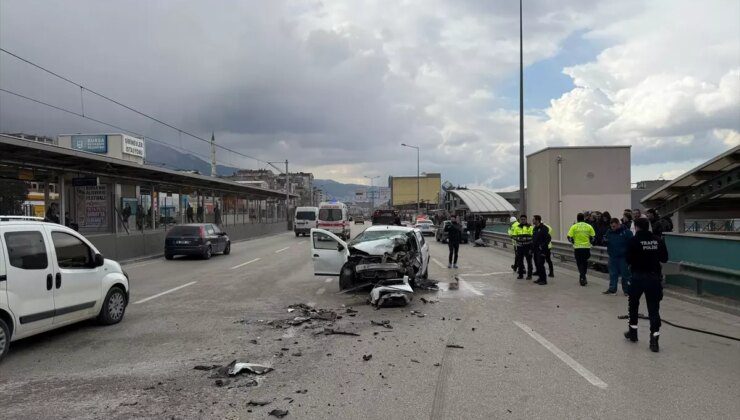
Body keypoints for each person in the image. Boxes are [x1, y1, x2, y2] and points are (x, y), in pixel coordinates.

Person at [624, 218, 669, 352]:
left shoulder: (633, 241)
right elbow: (664, 258)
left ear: (636, 227)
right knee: (653, 309)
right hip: (653, 278)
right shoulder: (658, 240)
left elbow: (628, 259)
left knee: (633, 305)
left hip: (637, 277)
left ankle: (633, 333)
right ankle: (654, 341)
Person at [604, 217, 632, 295]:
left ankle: (626, 290)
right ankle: (612, 288)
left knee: (625, 274)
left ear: (619, 224)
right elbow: (605, 240)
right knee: (613, 274)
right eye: (611, 227)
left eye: (614, 226)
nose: (613, 228)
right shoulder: (609, 232)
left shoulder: (626, 232)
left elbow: (632, 243)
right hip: (613, 256)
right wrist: (605, 241)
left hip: (623, 257)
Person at [567, 213, 595, 286]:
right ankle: (583, 276)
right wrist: (590, 243)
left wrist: (573, 242)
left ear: (577, 218)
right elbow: (593, 237)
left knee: (579, 263)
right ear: (584, 218)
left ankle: (582, 277)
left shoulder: (574, 226)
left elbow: (569, 237)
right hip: (586, 248)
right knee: (585, 263)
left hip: (577, 248)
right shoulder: (589, 226)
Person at [512, 214, 534, 279]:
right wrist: (518, 239)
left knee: (529, 261)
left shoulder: (530, 227)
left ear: (526, 219)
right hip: (519, 247)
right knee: (520, 261)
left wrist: (525, 239)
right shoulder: (517, 227)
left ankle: (529, 275)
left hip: (528, 247)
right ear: (520, 220)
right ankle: (520, 275)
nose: (523, 220)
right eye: (522, 219)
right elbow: (514, 236)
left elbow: (533, 236)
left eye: (524, 219)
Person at [531, 215, 551, 285]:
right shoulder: (535, 228)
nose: (532, 221)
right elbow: (534, 239)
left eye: (533, 219)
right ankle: (540, 278)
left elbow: (548, 239)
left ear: (537, 220)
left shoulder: (544, 228)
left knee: (540, 264)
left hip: (542, 250)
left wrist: (542, 247)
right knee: (537, 264)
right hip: (535, 250)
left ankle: (544, 280)